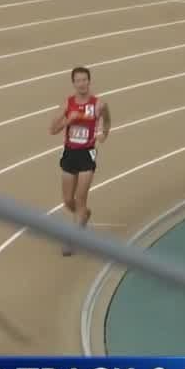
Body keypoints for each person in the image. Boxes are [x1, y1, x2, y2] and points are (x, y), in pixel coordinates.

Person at [49, 66, 110, 256]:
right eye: (78, 80)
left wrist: (103, 134)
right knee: (68, 201)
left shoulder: (98, 104)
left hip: (87, 154)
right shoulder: (67, 104)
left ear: (89, 82)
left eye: (85, 80)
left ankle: (72, 240)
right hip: (69, 154)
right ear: (73, 83)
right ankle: (82, 215)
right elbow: (52, 129)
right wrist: (69, 120)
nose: (82, 83)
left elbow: (107, 120)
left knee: (80, 198)